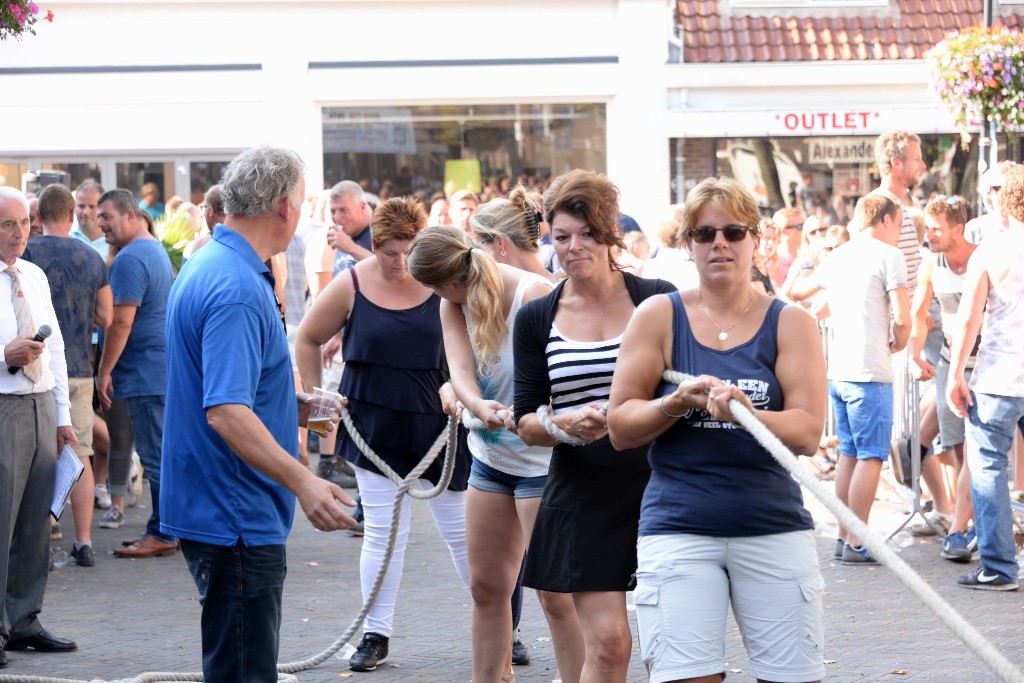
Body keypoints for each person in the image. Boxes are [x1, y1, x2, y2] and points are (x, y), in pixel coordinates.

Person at [606, 175, 827, 683]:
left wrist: (745, 415)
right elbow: (620, 426)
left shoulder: (791, 322)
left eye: (733, 231)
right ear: (687, 244)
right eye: (705, 234)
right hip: (679, 525)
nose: (720, 244)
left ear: (757, 239)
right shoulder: (658, 315)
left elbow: (808, 432)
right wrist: (674, 405)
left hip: (771, 524)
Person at [161, 146, 357, 682]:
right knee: (244, 671)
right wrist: (305, 482)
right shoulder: (238, 287)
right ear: (284, 208)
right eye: (301, 200)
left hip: (220, 507)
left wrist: (301, 408)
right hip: (235, 513)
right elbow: (225, 411)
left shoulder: (215, 263)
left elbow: (227, 392)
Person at [295, 197, 472, 673]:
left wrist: (466, 390)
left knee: (462, 534)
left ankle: (503, 622)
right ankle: (376, 634)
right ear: (374, 247)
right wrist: (317, 410)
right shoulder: (350, 283)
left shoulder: (445, 283)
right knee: (382, 533)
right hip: (372, 423)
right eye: (389, 252)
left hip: (440, 425)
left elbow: (479, 345)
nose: (399, 263)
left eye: (408, 252)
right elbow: (307, 338)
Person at [513, 169, 675, 683]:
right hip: (584, 486)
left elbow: (682, 388)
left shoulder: (657, 298)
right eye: (561, 237)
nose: (574, 246)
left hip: (661, 484)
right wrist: (563, 423)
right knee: (608, 645)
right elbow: (526, 420)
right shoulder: (538, 316)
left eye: (586, 234)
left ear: (609, 235)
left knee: (673, 646)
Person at [408, 222, 577, 683]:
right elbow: (460, 370)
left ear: (449, 280)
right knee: (487, 589)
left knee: (554, 594)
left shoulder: (534, 296)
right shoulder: (451, 303)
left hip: (543, 464)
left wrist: (526, 413)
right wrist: (477, 404)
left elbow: (566, 378)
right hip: (491, 460)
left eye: (433, 288)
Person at [0, 186, 78, 666]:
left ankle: (24, 620)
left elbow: (60, 350)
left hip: (39, 405)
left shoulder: (33, 273)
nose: (19, 232)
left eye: (24, 222)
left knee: (34, 523)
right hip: (4, 406)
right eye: (8, 224)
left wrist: (64, 417)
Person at [22, 183, 112, 568]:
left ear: (37, 217)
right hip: (77, 366)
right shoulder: (92, 257)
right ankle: (85, 541)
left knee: (36, 457)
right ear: (73, 215)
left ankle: (42, 535)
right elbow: (107, 318)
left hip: (33, 367)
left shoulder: (25, 253)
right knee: (81, 455)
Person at [818, 194, 910, 564]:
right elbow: (902, 317)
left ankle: (844, 535)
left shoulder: (839, 254)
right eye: (900, 224)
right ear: (886, 220)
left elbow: (814, 296)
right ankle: (858, 538)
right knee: (871, 456)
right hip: (870, 369)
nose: (900, 232)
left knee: (849, 454)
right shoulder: (889, 256)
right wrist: (899, 340)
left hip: (840, 368)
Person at [947, 162, 1024, 591]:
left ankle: (998, 566)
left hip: (1000, 376)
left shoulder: (992, 251)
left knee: (989, 467)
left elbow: (968, 321)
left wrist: (955, 373)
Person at [96, 189, 177, 556]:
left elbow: (121, 324)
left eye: (107, 216)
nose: (101, 224)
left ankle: (163, 532)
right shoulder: (152, 249)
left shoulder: (130, 258)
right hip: (157, 368)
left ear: (131, 214)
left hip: (145, 371)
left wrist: (104, 370)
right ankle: (166, 529)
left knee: (154, 454)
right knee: (159, 452)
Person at [909, 195, 979, 561]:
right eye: (927, 227)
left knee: (980, 452)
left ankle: (961, 527)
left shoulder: (983, 257)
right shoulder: (931, 262)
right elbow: (919, 312)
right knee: (959, 448)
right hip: (953, 365)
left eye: (935, 228)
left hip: (989, 366)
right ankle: (965, 524)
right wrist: (916, 353)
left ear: (957, 228)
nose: (929, 234)